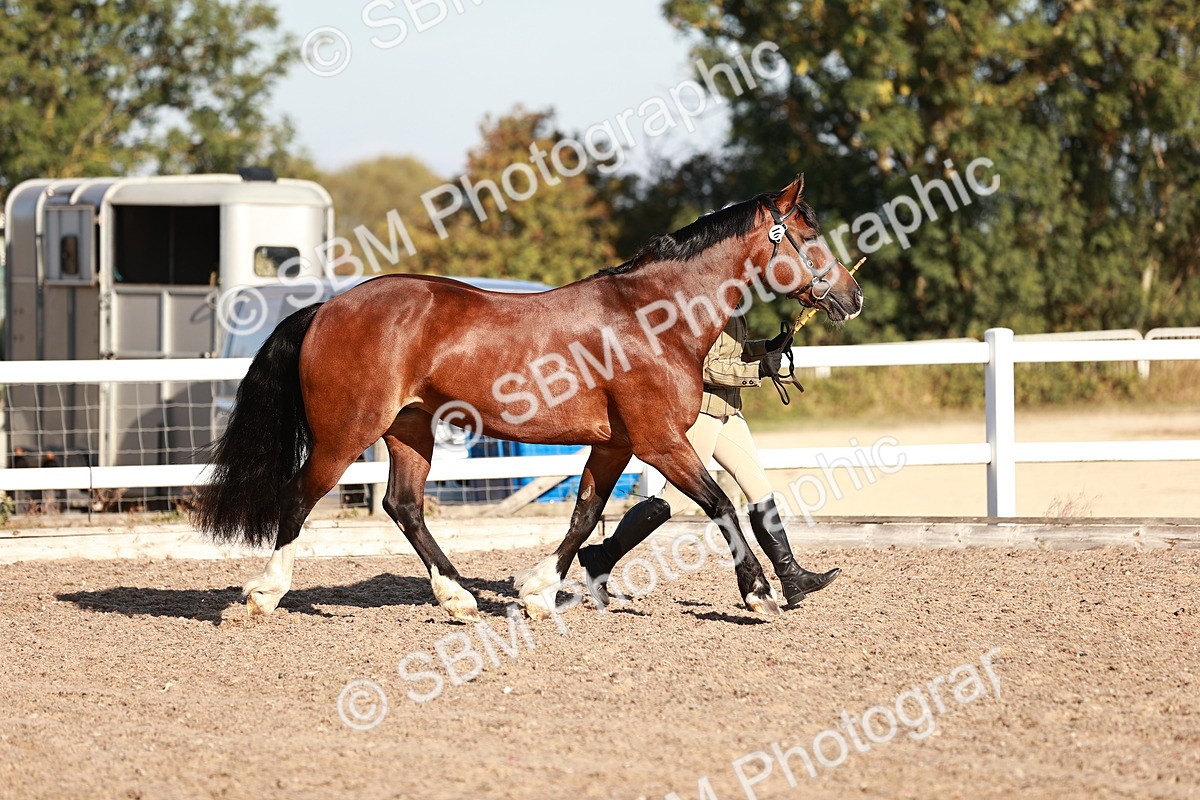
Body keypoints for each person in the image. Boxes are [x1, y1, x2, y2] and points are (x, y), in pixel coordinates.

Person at [577, 315, 840, 609]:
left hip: (729, 411)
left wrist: (765, 347)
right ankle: (602, 557)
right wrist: (758, 370)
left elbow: (730, 352)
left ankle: (791, 575)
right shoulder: (706, 309)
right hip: (701, 412)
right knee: (675, 499)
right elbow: (705, 366)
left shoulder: (734, 302)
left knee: (759, 489)